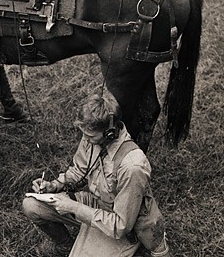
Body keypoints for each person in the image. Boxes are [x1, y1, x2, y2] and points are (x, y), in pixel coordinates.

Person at [22, 91, 172, 257]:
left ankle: (135, 250)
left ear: (110, 132)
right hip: (96, 206)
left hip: (123, 226)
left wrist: (74, 207)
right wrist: (54, 185)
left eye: (90, 135)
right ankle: (67, 246)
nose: (85, 139)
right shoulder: (93, 136)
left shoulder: (132, 166)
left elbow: (121, 225)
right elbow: (79, 170)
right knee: (31, 206)